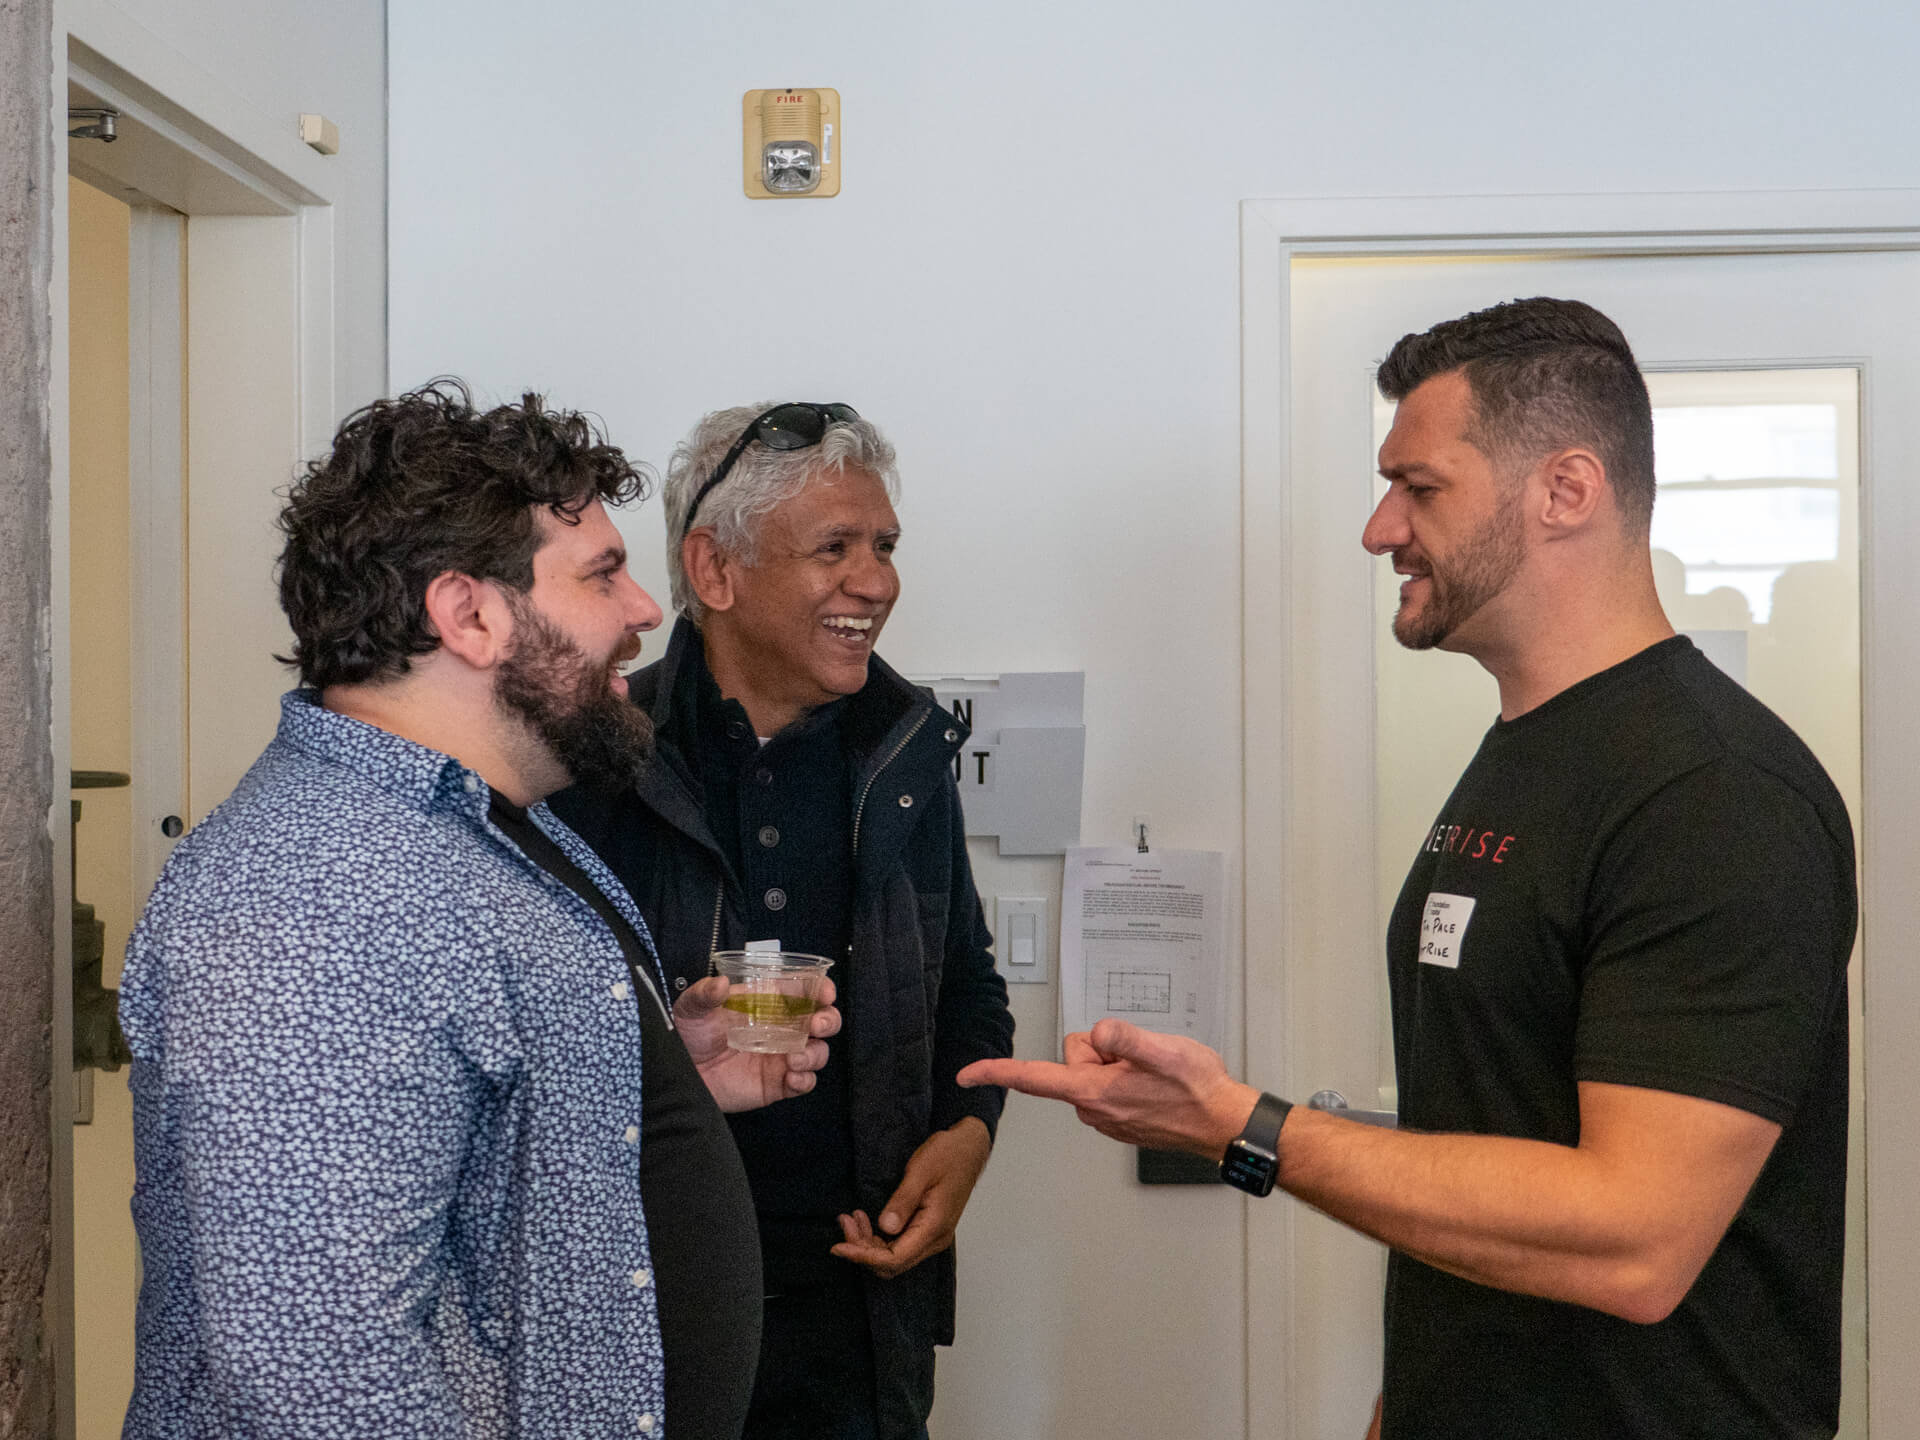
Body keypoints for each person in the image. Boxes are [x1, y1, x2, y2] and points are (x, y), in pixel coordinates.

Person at [961, 299, 1856, 1439]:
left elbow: (1636, 1242)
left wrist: (1242, 1125)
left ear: (1566, 490)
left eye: (1419, 487)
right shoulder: (1530, 747)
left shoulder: (1715, 793)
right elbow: (1489, 1126)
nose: (1380, 529)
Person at [118, 381, 839, 1440]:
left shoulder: (488, 822)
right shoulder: (317, 900)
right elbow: (317, 1371)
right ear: (469, 614)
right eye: (602, 574)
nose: (645, 611)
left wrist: (655, 1074)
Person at [551, 401, 1015, 1440]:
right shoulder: (587, 760)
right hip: (649, 1302)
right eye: (835, 548)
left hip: (860, 1308)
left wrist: (969, 1135)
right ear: (714, 570)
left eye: (885, 546)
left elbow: (968, 987)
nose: (878, 582)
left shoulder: (906, 755)